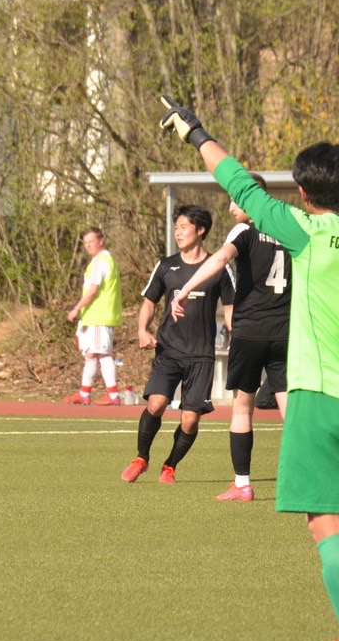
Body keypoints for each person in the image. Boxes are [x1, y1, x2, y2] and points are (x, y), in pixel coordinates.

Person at [160, 95, 339, 641]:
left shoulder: (306, 232)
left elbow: (240, 186)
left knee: (322, 519)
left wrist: (197, 132)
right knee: (335, 518)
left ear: (303, 194)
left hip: (318, 396)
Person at [169, 182, 290, 502]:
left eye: (236, 200)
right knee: (291, 411)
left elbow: (220, 259)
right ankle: (306, 480)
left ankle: (243, 484)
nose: (231, 207)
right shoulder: (291, 226)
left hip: (250, 332)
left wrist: (184, 288)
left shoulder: (243, 231)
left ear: (253, 199)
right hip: (285, 332)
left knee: (242, 408)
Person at [121, 205, 235, 485]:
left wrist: (239, 340)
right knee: (157, 404)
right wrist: (141, 330)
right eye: (176, 228)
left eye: (184, 227)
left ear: (201, 230)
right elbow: (149, 302)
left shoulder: (220, 268)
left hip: (201, 356)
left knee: (190, 421)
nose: (178, 232)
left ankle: (170, 466)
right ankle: (141, 457)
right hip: (168, 350)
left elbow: (231, 308)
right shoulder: (165, 265)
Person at [66, 227, 123, 405]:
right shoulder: (98, 261)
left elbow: (93, 289)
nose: (88, 245)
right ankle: (85, 393)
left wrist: (76, 309)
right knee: (91, 354)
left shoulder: (102, 261)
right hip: (93, 316)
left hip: (100, 316)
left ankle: (113, 395)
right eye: (86, 243)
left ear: (101, 240)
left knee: (103, 354)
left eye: (91, 241)